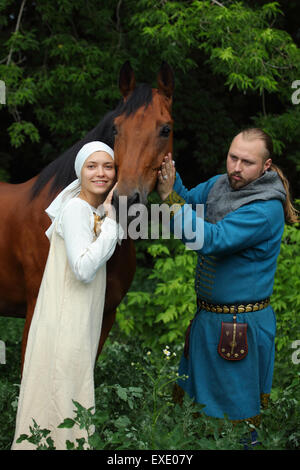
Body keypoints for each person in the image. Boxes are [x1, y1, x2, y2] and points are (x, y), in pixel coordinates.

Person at [156, 128, 298, 445]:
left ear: (266, 166)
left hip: (237, 328)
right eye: (233, 156)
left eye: (247, 162)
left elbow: (211, 240)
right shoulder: (221, 185)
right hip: (209, 321)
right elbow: (189, 201)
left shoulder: (265, 209)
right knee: (196, 419)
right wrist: (164, 171)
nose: (235, 167)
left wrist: (169, 199)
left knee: (235, 422)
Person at [11, 141, 123, 450]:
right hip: (66, 322)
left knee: (66, 390)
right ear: (79, 172)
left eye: (108, 166)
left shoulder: (92, 209)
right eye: (92, 166)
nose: (101, 173)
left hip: (74, 318)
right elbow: (83, 269)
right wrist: (112, 226)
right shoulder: (75, 209)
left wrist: (108, 218)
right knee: (63, 392)